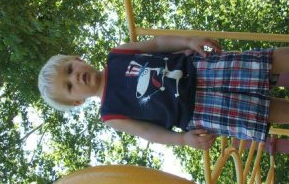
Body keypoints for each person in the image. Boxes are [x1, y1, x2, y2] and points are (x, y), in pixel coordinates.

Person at [38, 36, 289, 150]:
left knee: (263, 62)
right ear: (77, 100)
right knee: (266, 112)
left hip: (199, 69)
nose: (75, 77)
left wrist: (188, 42)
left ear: (78, 59)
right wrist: (183, 140)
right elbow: (149, 132)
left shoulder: (117, 55)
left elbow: (156, 45)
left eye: (70, 69)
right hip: (198, 112)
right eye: (69, 85)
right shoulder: (110, 114)